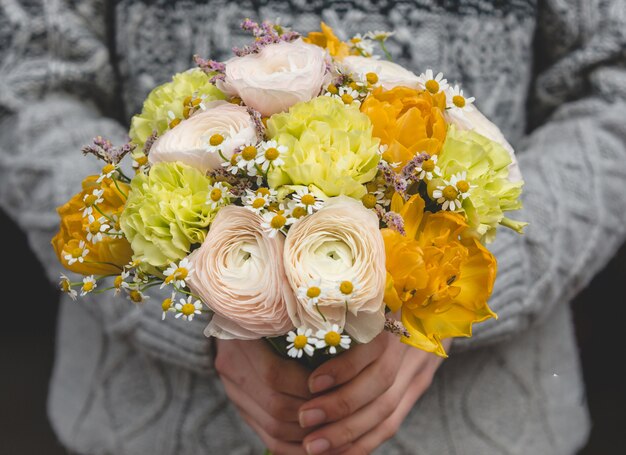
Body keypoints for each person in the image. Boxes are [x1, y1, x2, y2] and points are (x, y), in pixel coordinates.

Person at [1, 1, 625, 454]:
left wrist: (440, 285)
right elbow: (27, 87)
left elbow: (613, 93)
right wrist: (219, 295)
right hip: (152, 425)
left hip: (487, 427)